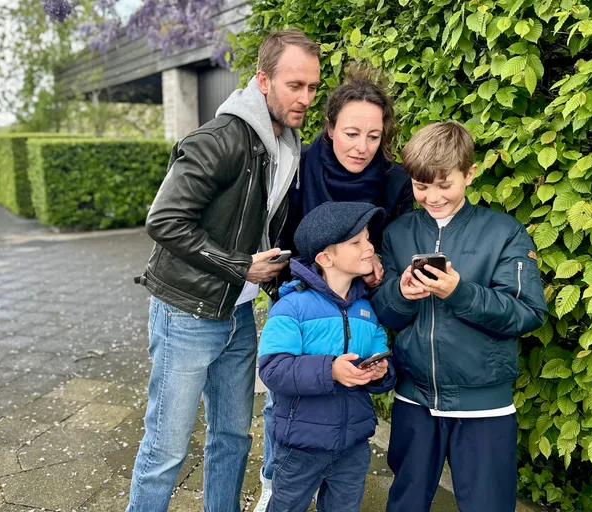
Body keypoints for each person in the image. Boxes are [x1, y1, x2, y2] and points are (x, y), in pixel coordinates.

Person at [129, 29, 321, 512]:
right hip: (186, 315)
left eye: (312, 88)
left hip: (236, 316)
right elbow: (164, 220)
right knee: (165, 451)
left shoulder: (287, 144)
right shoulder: (220, 139)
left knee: (233, 438)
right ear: (263, 80)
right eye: (294, 85)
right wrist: (240, 268)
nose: (305, 98)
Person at [255, 67, 413, 511]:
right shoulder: (299, 166)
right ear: (328, 127)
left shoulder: (395, 182)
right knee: (287, 397)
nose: (362, 147)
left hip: (359, 301)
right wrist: (292, 288)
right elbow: (277, 231)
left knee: (348, 387)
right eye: (351, 133)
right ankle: (276, 476)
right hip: (300, 295)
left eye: (374, 136)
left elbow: (397, 247)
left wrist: (379, 264)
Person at [370, 121, 548, 511]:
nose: (432, 197)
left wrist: (459, 292)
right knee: (405, 503)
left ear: (470, 173)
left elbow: (528, 312)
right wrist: (401, 294)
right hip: (414, 399)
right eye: (421, 186)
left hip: (484, 406)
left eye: (443, 184)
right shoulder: (397, 234)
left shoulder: (504, 233)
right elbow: (385, 314)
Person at [258, 201, 396, 512]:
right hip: (300, 446)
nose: (369, 247)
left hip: (353, 445)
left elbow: (381, 356)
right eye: (356, 241)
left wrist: (380, 371)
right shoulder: (292, 307)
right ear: (325, 258)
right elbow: (273, 369)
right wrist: (330, 370)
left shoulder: (366, 309)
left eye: (368, 238)